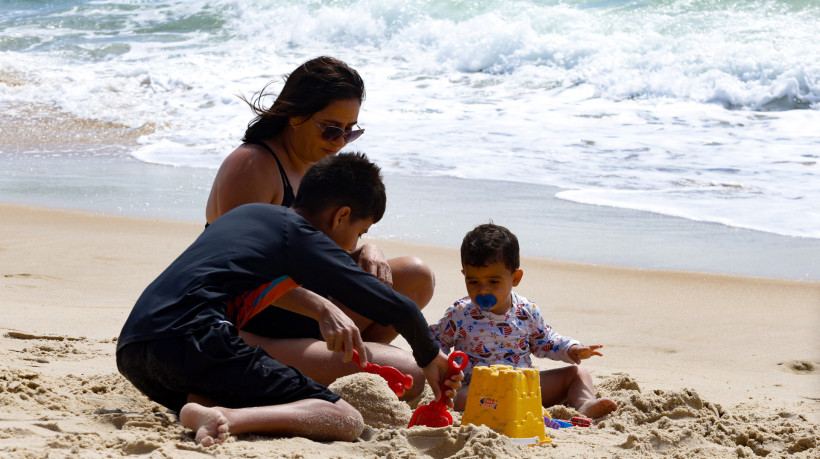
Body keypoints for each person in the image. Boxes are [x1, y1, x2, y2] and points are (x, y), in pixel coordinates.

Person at [117, 153, 461, 446]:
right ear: (340, 216)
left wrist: (324, 306)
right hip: (196, 342)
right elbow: (394, 305)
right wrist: (431, 355)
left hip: (135, 352)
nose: (355, 242)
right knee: (344, 418)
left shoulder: (247, 216)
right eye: (359, 232)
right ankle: (227, 418)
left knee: (220, 381)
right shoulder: (300, 235)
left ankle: (202, 407)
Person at [204, 56, 435, 388]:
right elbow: (240, 273)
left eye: (349, 132)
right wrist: (323, 309)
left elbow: (332, 241)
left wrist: (370, 248)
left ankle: (342, 368)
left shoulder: (313, 164)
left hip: (301, 314)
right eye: (330, 129)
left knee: (415, 276)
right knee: (409, 376)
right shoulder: (253, 165)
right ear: (296, 115)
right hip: (247, 324)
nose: (339, 142)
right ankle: (335, 368)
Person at [429, 223, 617, 418]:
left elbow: (545, 342)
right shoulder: (460, 313)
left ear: (515, 278)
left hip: (524, 388)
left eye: (494, 282)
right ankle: (504, 408)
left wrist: (572, 348)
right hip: (479, 390)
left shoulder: (526, 311)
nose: (483, 290)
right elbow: (435, 342)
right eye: (473, 282)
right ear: (464, 276)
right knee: (460, 398)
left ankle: (585, 404)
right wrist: (443, 368)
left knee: (578, 373)